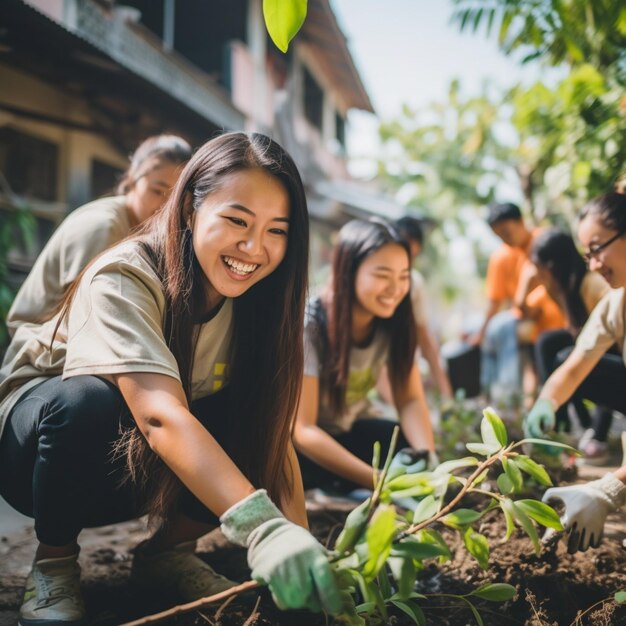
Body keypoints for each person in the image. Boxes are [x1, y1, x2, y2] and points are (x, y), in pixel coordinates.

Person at [0, 132, 341, 625]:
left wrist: (301, 541)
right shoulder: (124, 275)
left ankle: (165, 554)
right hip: (37, 460)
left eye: (277, 231)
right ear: (188, 211)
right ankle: (53, 566)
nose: (254, 246)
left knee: (252, 411)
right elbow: (159, 415)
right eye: (236, 220)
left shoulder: (260, 302)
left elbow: (273, 435)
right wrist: (262, 529)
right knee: (86, 402)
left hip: (143, 465)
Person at [293, 219, 436, 492]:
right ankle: (344, 488)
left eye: (403, 276)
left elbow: (410, 399)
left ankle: (348, 486)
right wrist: (379, 481)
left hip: (349, 434)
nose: (395, 289)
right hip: (303, 451)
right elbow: (303, 430)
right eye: (382, 275)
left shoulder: (393, 323)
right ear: (348, 271)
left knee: (408, 444)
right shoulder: (309, 326)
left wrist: (427, 457)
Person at [6, 134, 192, 334]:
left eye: (175, 198)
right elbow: (85, 316)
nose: (165, 207)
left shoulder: (145, 231)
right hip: (34, 345)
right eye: (157, 191)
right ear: (132, 179)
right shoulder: (104, 227)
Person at [524, 191, 626, 551]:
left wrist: (609, 489)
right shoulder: (616, 302)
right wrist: (546, 402)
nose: (594, 264)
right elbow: (576, 364)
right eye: (588, 254)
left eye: (597, 248)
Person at [529, 228, 612, 462]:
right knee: (548, 342)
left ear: (553, 267)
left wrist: (598, 430)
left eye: (539, 269)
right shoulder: (566, 290)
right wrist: (545, 402)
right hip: (594, 352)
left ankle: (597, 433)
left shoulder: (595, 286)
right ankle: (559, 427)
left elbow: (609, 348)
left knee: (566, 357)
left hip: (615, 361)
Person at [468, 202, 565, 400]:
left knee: (504, 330)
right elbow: (495, 301)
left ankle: (509, 394)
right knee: (494, 329)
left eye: (506, 231)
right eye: (499, 235)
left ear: (520, 221)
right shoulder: (500, 257)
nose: (505, 238)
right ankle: (503, 394)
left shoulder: (545, 240)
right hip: (526, 318)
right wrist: (481, 333)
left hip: (556, 316)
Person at [387, 216, 453, 399]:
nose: (406, 263)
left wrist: (445, 390)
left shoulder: (414, 284)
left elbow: (423, 337)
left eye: (412, 257)